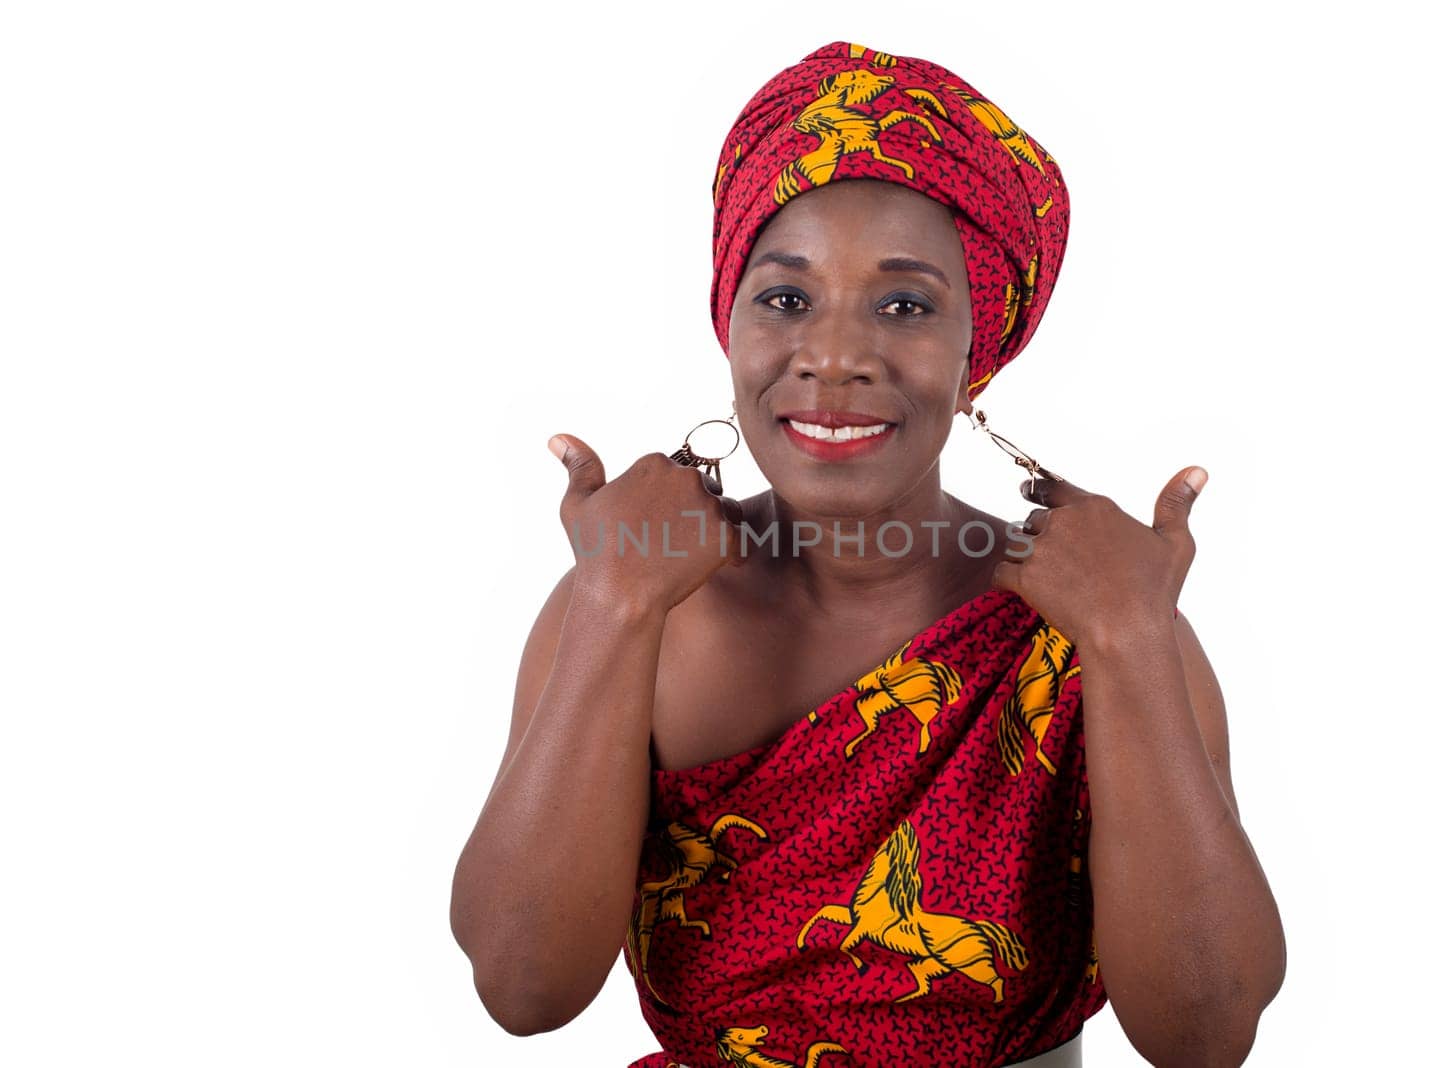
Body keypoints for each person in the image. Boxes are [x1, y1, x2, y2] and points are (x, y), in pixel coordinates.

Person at [450, 40, 1286, 1067]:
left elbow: (1206, 1032)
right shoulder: (641, 602)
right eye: (786, 298)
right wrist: (611, 605)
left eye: (904, 305)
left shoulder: (1085, 629)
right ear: (728, 323)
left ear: (977, 355)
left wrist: (1133, 639)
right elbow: (521, 986)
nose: (836, 353)